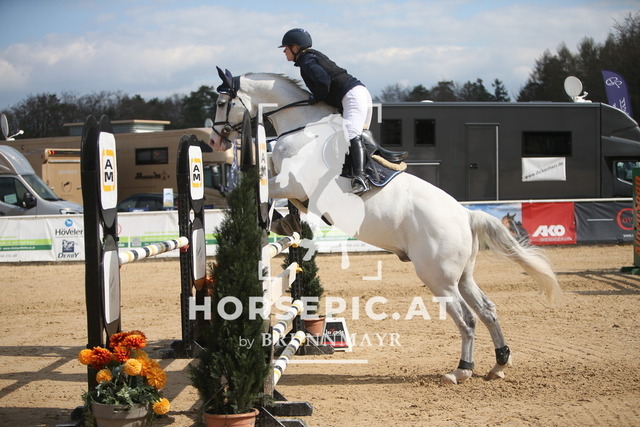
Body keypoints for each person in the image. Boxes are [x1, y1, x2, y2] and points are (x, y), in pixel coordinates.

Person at [279, 28, 372, 194]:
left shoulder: (307, 61)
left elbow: (323, 82)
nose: (284, 51)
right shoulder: (309, 58)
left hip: (351, 96)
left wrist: (316, 97)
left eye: (286, 48)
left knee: (351, 134)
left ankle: (361, 178)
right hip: (353, 95)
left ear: (295, 47)